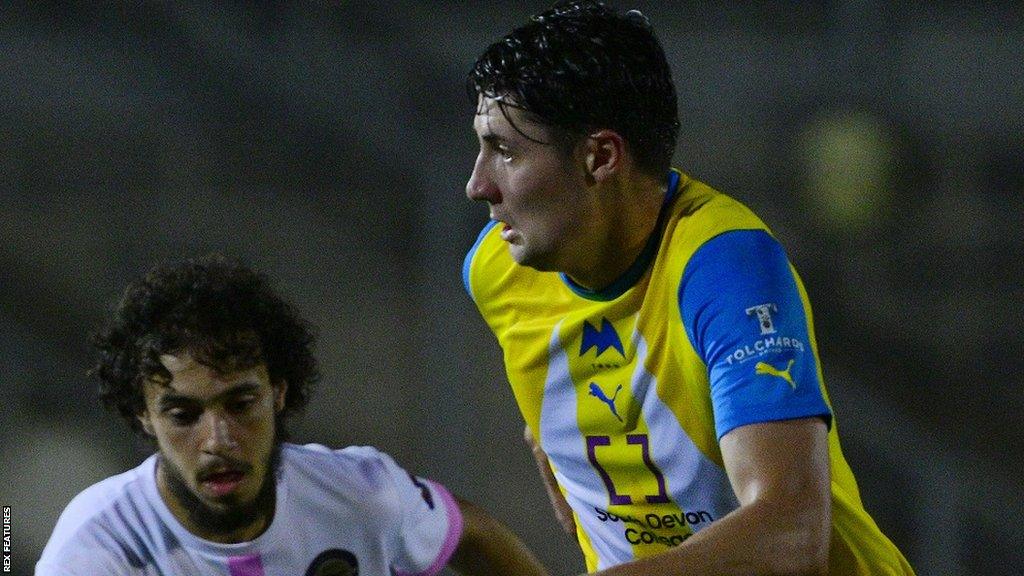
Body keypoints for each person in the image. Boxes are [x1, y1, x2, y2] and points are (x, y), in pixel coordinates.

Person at [461, 1, 915, 574]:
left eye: (504, 150)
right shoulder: (496, 271)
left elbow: (791, 532)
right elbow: (550, 424)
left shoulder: (723, 265)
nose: (478, 185)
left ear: (600, 156)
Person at [37, 255, 548, 576]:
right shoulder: (96, 547)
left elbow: (472, 536)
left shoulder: (359, 493)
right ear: (143, 414)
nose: (218, 440)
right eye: (183, 414)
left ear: (278, 392)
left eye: (240, 404)